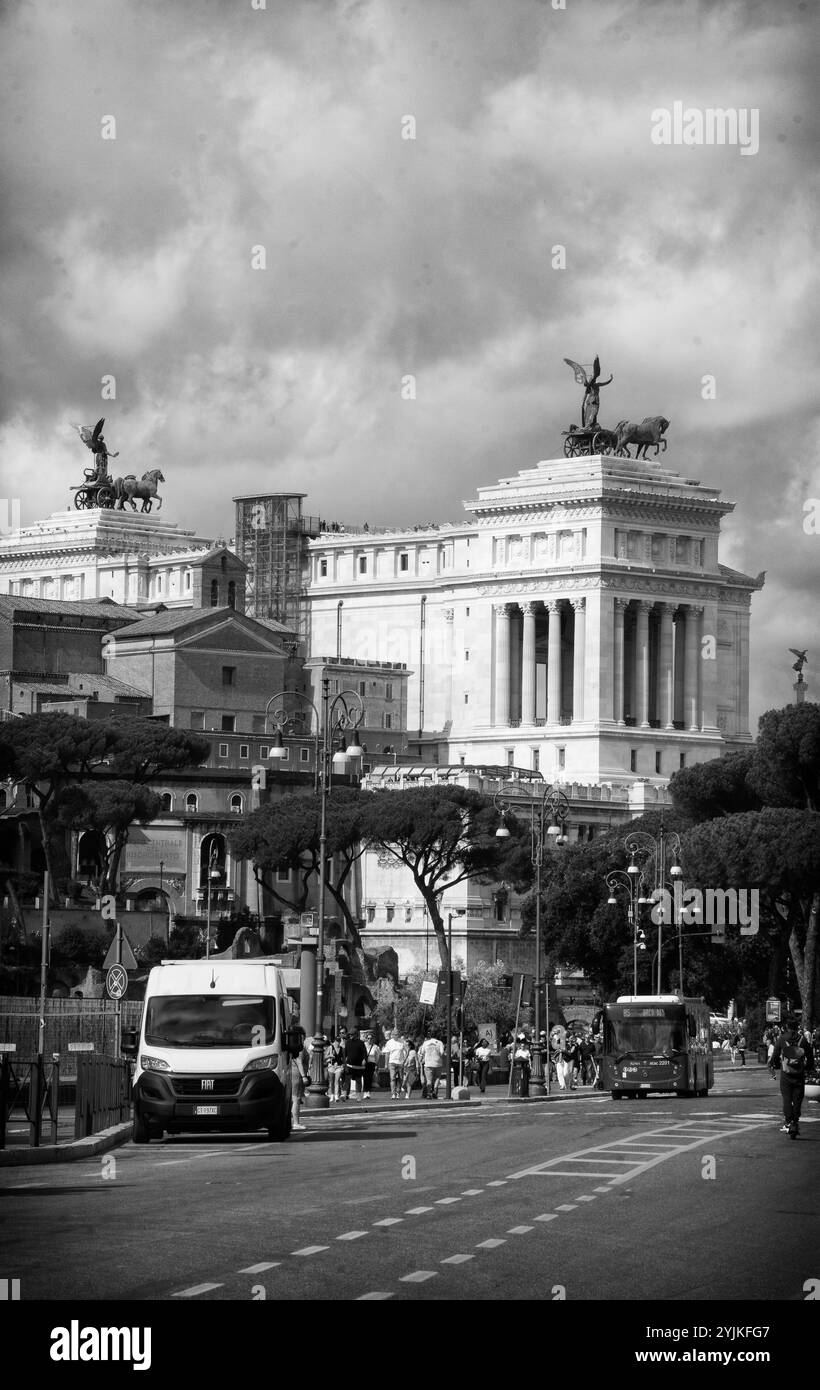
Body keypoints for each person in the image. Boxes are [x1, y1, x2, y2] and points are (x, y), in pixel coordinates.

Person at [770, 1016, 814, 1138]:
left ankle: (788, 1121)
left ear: (787, 1027)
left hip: (786, 1073)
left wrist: (778, 1065)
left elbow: (775, 1055)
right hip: (799, 1073)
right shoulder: (803, 1040)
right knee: (798, 1099)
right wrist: (808, 1068)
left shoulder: (781, 1039)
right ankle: (795, 1121)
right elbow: (810, 1056)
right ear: (797, 1027)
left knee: (787, 1098)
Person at [290, 1026, 310, 1131]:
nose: (305, 1037)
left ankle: (292, 1122)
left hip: (291, 1073)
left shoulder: (291, 1045)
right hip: (297, 1074)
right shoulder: (300, 1047)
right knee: (296, 1099)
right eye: (304, 1035)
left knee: (292, 1099)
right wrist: (304, 1076)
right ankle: (296, 1122)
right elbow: (299, 1062)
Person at [342, 1028, 367, 1099]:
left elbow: (365, 1053)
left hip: (358, 1066)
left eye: (352, 1034)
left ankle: (358, 1096)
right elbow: (345, 1054)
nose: (350, 1036)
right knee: (347, 1080)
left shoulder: (361, 1043)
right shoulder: (348, 1042)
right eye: (350, 1034)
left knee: (358, 1081)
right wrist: (344, 1064)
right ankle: (344, 1095)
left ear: (356, 1035)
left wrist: (365, 1059)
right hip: (349, 1065)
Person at [384, 1028, 408, 1099]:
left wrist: (405, 1060)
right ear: (392, 1035)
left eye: (397, 1034)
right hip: (392, 1062)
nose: (396, 1035)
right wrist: (386, 1064)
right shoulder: (389, 1042)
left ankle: (398, 1092)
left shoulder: (402, 1041)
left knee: (400, 1079)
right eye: (394, 1034)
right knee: (392, 1078)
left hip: (400, 1063)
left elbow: (407, 1051)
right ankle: (393, 1093)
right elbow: (387, 1054)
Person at [420, 1030, 445, 1098]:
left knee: (429, 1080)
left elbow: (422, 1052)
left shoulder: (426, 1043)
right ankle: (435, 1089)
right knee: (437, 1077)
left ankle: (428, 1093)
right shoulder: (440, 1043)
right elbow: (442, 1053)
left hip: (428, 1063)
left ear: (430, 1035)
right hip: (437, 1063)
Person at [326, 1032, 346, 1101]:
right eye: (337, 1041)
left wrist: (344, 1066)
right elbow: (325, 1056)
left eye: (339, 1041)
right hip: (331, 1066)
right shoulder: (330, 1047)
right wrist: (330, 1055)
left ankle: (336, 1095)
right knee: (331, 1081)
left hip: (338, 1066)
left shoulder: (342, 1049)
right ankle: (331, 1095)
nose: (338, 1042)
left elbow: (343, 1059)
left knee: (337, 1081)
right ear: (334, 1041)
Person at [363, 1032, 380, 1098]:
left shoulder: (375, 1047)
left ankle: (368, 1092)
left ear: (373, 1039)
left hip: (372, 1063)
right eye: (368, 1038)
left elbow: (377, 1056)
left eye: (371, 1038)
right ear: (366, 1039)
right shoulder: (363, 1045)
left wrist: (376, 1064)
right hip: (365, 1063)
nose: (369, 1039)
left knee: (370, 1078)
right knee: (365, 1078)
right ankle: (365, 1092)